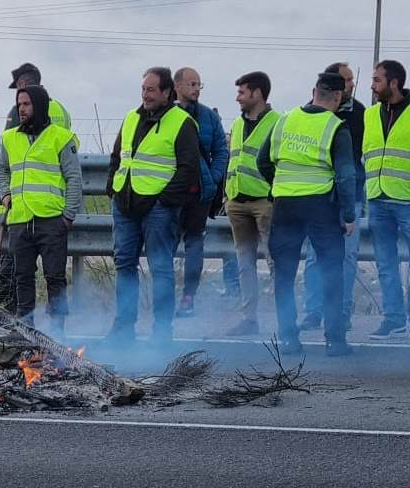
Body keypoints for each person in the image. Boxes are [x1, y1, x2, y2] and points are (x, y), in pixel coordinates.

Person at [261, 72, 358, 357]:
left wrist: (278, 187)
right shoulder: (335, 126)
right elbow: (346, 175)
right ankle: (335, 342)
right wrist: (349, 213)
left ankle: (289, 340)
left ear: (313, 90)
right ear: (338, 97)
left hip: (285, 206)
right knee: (331, 273)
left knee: (285, 275)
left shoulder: (284, 120)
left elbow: (262, 161)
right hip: (321, 209)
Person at [105, 66, 201, 345]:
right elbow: (117, 157)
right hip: (125, 203)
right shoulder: (131, 118)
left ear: (166, 92)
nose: (145, 95)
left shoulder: (181, 122)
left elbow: (188, 169)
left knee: (160, 268)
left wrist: (165, 200)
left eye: (151, 90)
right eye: (143, 89)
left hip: (159, 208)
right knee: (124, 264)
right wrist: (112, 187)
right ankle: (123, 328)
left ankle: (161, 332)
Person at [0, 84, 82, 336]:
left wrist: (68, 215)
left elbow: (74, 177)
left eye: (27, 104)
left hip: (51, 219)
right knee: (23, 277)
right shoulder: (10, 138)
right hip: (20, 219)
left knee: (54, 278)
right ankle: (26, 329)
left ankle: (57, 331)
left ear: (39, 106)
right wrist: (6, 193)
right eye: (19, 104)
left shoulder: (60, 137)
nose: (21, 109)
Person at [362, 59, 410, 341]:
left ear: (393, 83)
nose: (372, 85)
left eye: (377, 80)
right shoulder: (370, 115)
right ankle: (393, 320)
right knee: (385, 264)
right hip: (377, 199)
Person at [300, 61, 366, 334]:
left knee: (347, 258)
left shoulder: (361, 112)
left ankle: (341, 313)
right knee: (315, 258)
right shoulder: (308, 112)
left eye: (352, 80)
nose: (352, 84)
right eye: (347, 80)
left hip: (350, 195)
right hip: (319, 196)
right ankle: (313, 312)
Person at [222, 71, 280, 337]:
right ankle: (249, 320)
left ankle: (283, 320)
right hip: (237, 202)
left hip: (264, 202)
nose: (238, 98)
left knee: (275, 263)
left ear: (257, 93)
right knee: (244, 264)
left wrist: (274, 196)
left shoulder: (278, 123)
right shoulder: (236, 123)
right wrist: (226, 196)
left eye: (242, 92)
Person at [172, 67, 229, 318]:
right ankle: (163, 299)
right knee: (164, 245)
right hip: (169, 195)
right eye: (191, 84)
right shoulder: (165, 116)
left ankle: (188, 298)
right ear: (177, 87)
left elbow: (220, 151)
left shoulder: (208, 117)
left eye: (199, 84)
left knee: (195, 244)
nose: (196, 88)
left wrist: (214, 178)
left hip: (198, 194)